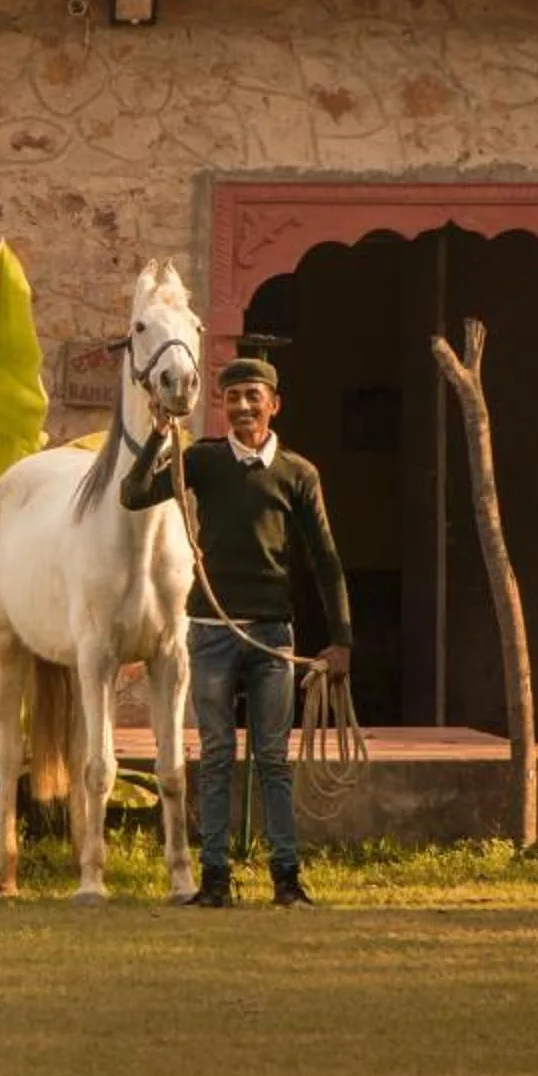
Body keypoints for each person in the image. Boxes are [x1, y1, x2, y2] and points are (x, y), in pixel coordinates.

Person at [121, 354, 353, 909]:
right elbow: (133, 494)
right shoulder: (201, 461)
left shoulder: (298, 473)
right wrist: (158, 435)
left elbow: (325, 559)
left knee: (273, 759)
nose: (243, 406)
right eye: (233, 397)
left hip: (273, 636)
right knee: (218, 755)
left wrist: (341, 640)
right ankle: (215, 879)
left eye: (254, 396)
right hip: (210, 633)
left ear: (274, 405)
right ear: (222, 406)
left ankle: (287, 880)